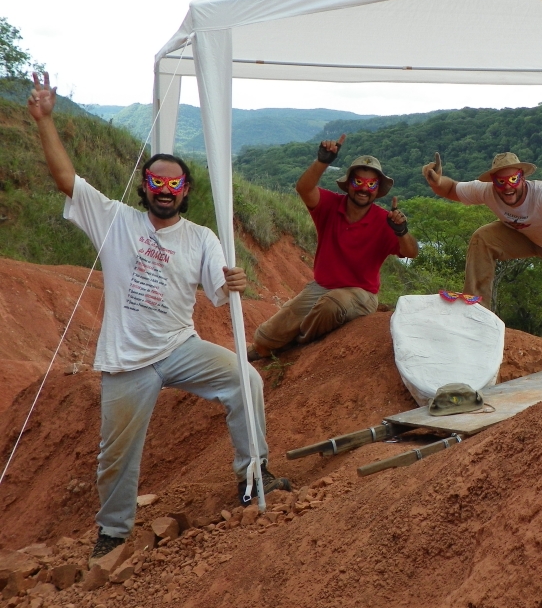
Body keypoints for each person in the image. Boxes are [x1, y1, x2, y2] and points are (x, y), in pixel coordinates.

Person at [26, 72, 290, 564]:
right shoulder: (116, 220)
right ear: (145, 187)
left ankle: (254, 476)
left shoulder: (202, 237)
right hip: (126, 359)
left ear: (185, 191)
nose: (165, 190)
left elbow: (218, 289)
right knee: (115, 456)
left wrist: (233, 282)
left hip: (180, 347)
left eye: (174, 183)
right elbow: (67, 180)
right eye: (156, 182)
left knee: (246, 381)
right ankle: (113, 530)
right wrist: (45, 120)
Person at [422, 151, 542, 361]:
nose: (508, 187)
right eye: (501, 182)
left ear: (522, 177)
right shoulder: (486, 191)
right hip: (524, 236)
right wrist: (436, 181)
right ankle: (475, 316)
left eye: (513, 180)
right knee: (482, 238)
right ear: (493, 182)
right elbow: (452, 189)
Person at [248, 137, 418, 360]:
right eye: (358, 182)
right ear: (348, 183)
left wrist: (402, 231)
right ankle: (270, 346)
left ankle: (296, 347)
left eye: (371, 184)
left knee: (332, 305)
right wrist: (323, 161)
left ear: (378, 190)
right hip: (322, 287)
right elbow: (304, 188)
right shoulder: (329, 205)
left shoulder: (384, 221)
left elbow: (411, 252)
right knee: (263, 340)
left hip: (361, 294)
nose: (364, 189)